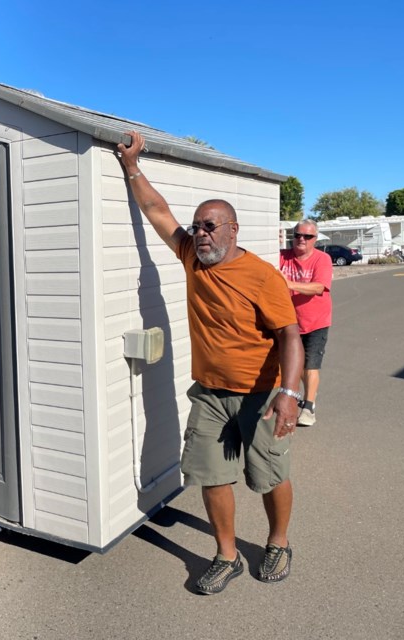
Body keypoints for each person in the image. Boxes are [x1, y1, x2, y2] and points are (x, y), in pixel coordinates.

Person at [117, 130, 304, 595]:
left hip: (261, 396)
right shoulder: (192, 258)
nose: (200, 233)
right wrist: (132, 166)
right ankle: (226, 554)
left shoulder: (262, 277)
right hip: (210, 394)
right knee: (210, 476)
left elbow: (290, 335)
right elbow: (158, 212)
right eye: (198, 226)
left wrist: (290, 394)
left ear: (233, 229)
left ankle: (278, 542)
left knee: (268, 476)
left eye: (210, 226)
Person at [279, 220, 333, 427]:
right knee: (295, 364)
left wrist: (289, 284)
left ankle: (309, 407)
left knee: (310, 365)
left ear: (315, 239)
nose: (301, 239)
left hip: (316, 321)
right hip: (290, 321)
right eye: (298, 235)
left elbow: (319, 287)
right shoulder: (282, 256)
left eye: (307, 236)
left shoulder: (322, 259)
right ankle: (300, 396)